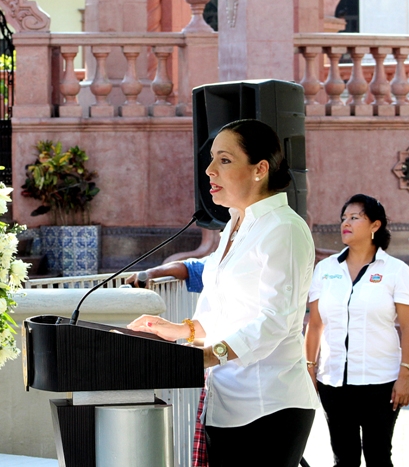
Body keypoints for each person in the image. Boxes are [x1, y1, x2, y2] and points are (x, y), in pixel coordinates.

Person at [128, 119, 318, 467]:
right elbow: (221, 314)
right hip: (225, 403)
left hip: (268, 405)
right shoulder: (235, 224)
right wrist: (180, 330)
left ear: (260, 169)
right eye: (212, 158)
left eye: (225, 160)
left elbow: (274, 322)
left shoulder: (284, 229)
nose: (209, 169)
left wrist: (205, 356)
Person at [304, 194, 409, 467]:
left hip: (381, 384)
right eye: (344, 218)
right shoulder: (326, 269)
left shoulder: (396, 271)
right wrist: (309, 367)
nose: (346, 223)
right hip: (333, 383)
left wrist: (405, 374)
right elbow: (316, 323)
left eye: (355, 217)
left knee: (379, 457)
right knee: (344, 459)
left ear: (375, 226)